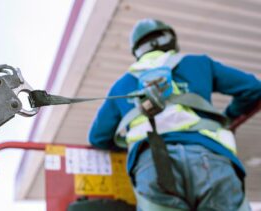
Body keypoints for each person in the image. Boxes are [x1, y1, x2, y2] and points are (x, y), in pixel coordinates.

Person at [88, 18, 261, 211]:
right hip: (209, 155)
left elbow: (98, 137)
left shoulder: (122, 86)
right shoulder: (199, 64)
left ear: (136, 51)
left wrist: (131, 144)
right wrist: (226, 118)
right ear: (171, 40)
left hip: (151, 163)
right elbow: (253, 89)